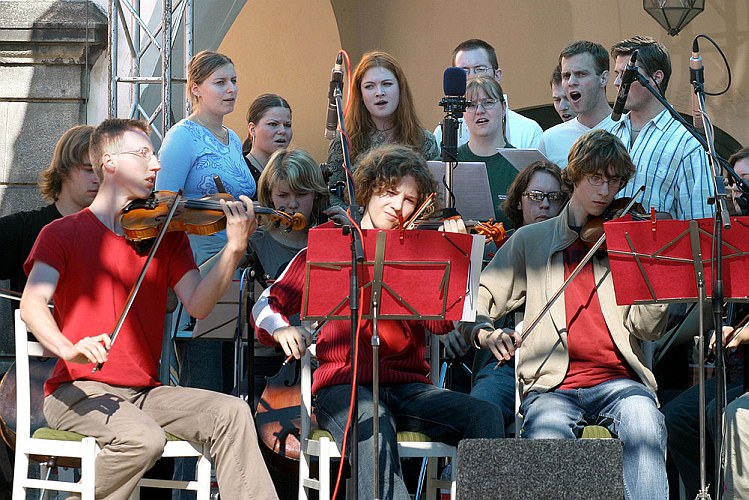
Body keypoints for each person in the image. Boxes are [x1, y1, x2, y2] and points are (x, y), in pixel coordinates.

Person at [20, 118, 277, 500]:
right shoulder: (62, 233)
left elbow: (199, 304)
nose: (156, 164)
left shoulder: (165, 236)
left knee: (233, 413)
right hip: (77, 390)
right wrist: (66, 348)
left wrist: (233, 250)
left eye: (154, 154)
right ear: (109, 162)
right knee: (144, 439)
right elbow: (32, 303)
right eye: (143, 154)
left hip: (145, 392)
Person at [253, 144, 504, 499]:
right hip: (343, 386)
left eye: (409, 199)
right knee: (374, 427)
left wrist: (455, 254)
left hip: (409, 389)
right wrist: (281, 328)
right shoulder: (327, 248)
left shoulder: (420, 253)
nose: (398, 206)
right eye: (389, 193)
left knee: (485, 416)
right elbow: (266, 303)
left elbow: (441, 325)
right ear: (369, 190)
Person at [460, 129, 669, 499]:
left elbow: (646, 329)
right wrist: (485, 333)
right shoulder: (532, 241)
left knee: (645, 422)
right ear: (574, 176)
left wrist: (653, 284)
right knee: (547, 435)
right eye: (596, 178)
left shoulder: (624, 240)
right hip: (552, 385)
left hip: (618, 381)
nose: (606, 191)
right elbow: (478, 298)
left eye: (615, 180)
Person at [0, 124, 96, 497]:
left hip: (105, 373)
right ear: (63, 170)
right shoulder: (28, 229)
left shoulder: (121, 233)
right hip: (42, 372)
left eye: (104, 171)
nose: (97, 179)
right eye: (89, 169)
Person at [660, 146, 749, 498]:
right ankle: (706, 492)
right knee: (676, 417)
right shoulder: (729, 236)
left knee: (718, 413)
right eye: (736, 184)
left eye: (748, 184)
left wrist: (742, 335)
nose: (740, 193)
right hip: (737, 373)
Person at [462, 160, 568, 432]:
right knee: (483, 406)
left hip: (554, 362)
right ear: (519, 201)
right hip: (504, 361)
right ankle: (473, 471)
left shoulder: (572, 251)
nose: (544, 204)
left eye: (553, 197)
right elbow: (475, 300)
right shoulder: (494, 248)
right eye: (535, 196)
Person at [248, 147, 329, 401]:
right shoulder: (256, 242)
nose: (292, 204)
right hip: (270, 363)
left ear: (316, 195)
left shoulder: (329, 240)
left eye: (301, 194)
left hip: (324, 362)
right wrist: (235, 244)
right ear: (270, 197)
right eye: (283, 195)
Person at [608, 35, 713, 220]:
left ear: (656, 77)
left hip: (661, 247)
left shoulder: (687, 142)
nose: (617, 83)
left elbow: (700, 221)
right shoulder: (611, 133)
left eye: (626, 74)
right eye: (617, 74)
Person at [327, 51, 439, 206]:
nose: (379, 93)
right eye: (369, 86)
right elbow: (332, 195)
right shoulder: (344, 141)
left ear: (400, 89)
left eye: (387, 84)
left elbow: (435, 195)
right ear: (360, 94)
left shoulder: (424, 140)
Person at [433, 38, 543, 150]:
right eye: (464, 72)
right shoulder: (443, 133)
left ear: (497, 75)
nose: (472, 77)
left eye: (480, 69)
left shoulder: (528, 131)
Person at [539, 41, 615, 168]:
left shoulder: (629, 129)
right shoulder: (550, 139)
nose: (571, 82)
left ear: (603, 78)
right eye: (566, 75)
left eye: (581, 74)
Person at [456, 76, 518, 229]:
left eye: (488, 102)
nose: (479, 111)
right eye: (470, 105)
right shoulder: (448, 163)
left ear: (504, 108)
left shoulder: (522, 164)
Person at [242, 93, 293, 185]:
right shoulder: (238, 171)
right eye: (273, 124)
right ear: (252, 129)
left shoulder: (295, 171)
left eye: (287, 125)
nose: (282, 131)